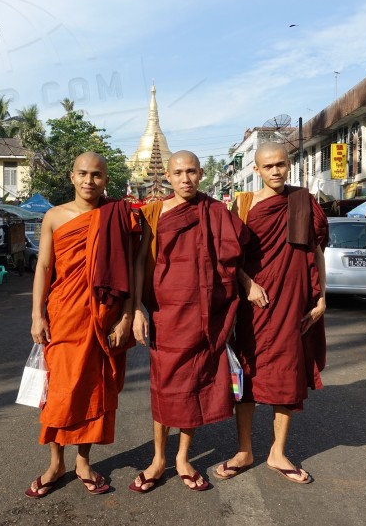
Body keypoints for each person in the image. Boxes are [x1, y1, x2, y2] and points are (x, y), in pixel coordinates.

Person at [130, 150, 246, 493]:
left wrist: (248, 285)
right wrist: (136, 307)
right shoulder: (154, 213)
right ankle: (158, 458)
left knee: (193, 383)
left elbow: (230, 258)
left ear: (201, 174)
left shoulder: (215, 211)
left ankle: (182, 457)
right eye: (178, 172)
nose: (185, 179)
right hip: (166, 313)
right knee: (165, 384)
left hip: (204, 313)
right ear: (167, 176)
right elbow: (140, 262)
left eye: (192, 172)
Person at [214, 142, 328, 485]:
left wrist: (322, 296)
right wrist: (247, 284)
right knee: (249, 373)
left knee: (287, 373)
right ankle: (245, 450)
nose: (276, 171)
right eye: (268, 166)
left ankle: (278, 452)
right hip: (256, 304)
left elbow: (316, 251)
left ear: (289, 165)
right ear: (257, 170)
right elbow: (231, 257)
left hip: (294, 302)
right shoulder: (245, 205)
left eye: (281, 164)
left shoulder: (304, 201)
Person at [26, 152, 135, 499]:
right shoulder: (54, 217)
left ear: (106, 180)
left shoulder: (118, 216)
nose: (90, 181)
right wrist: (37, 314)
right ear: (72, 177)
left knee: (96, 387)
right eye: (83, 174)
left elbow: (133, 269)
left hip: (104, 315)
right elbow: (44, 267)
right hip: (64, 314)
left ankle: (83, 461)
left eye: (97, 175)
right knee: (58, 391)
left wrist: (128, 315)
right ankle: (56, 462)